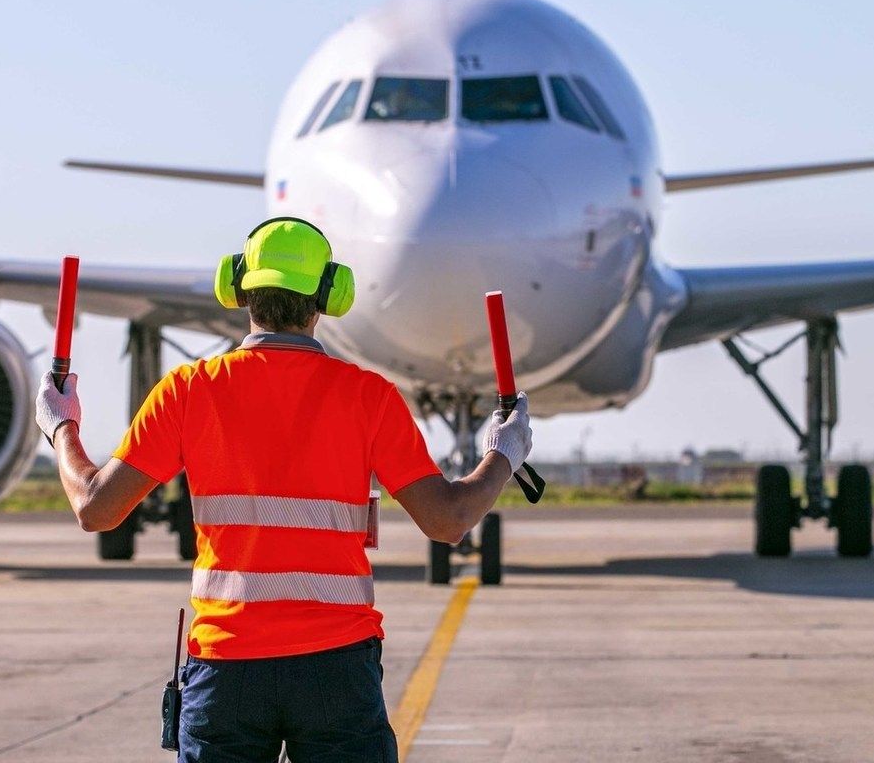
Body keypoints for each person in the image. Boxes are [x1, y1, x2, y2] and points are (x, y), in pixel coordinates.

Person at [35, 217, 532, 763]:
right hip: (337, 668)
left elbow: (96, 509)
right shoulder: (369, 397)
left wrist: (61, 425)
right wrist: (503, 452)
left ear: (239, 287)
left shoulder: (188, 391)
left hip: (226, 670)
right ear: (328, 295)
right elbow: (448, 520)